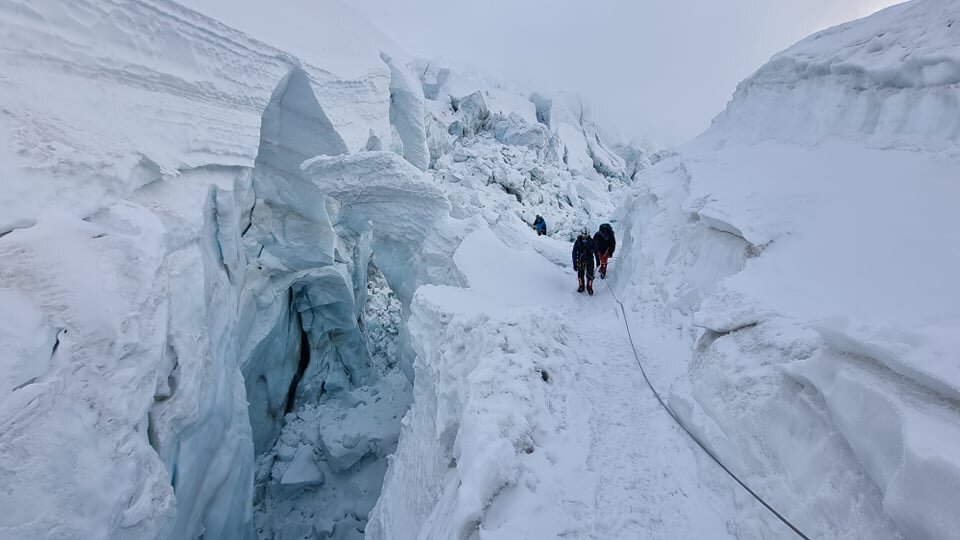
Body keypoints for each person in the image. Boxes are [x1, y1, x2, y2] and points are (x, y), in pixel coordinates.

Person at [571, 229, 600, 295]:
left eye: (586, 235)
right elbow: (574, 253)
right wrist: (575, 263)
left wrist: (598, 260)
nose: (585, 237)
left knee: (590, 274)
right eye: (583, 235)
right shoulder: (578, 242)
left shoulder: (592, 241)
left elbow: (596, 252)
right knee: (580, 275)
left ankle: (589, 287)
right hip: (581, 260)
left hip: (589, 259)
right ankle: (581, 286)